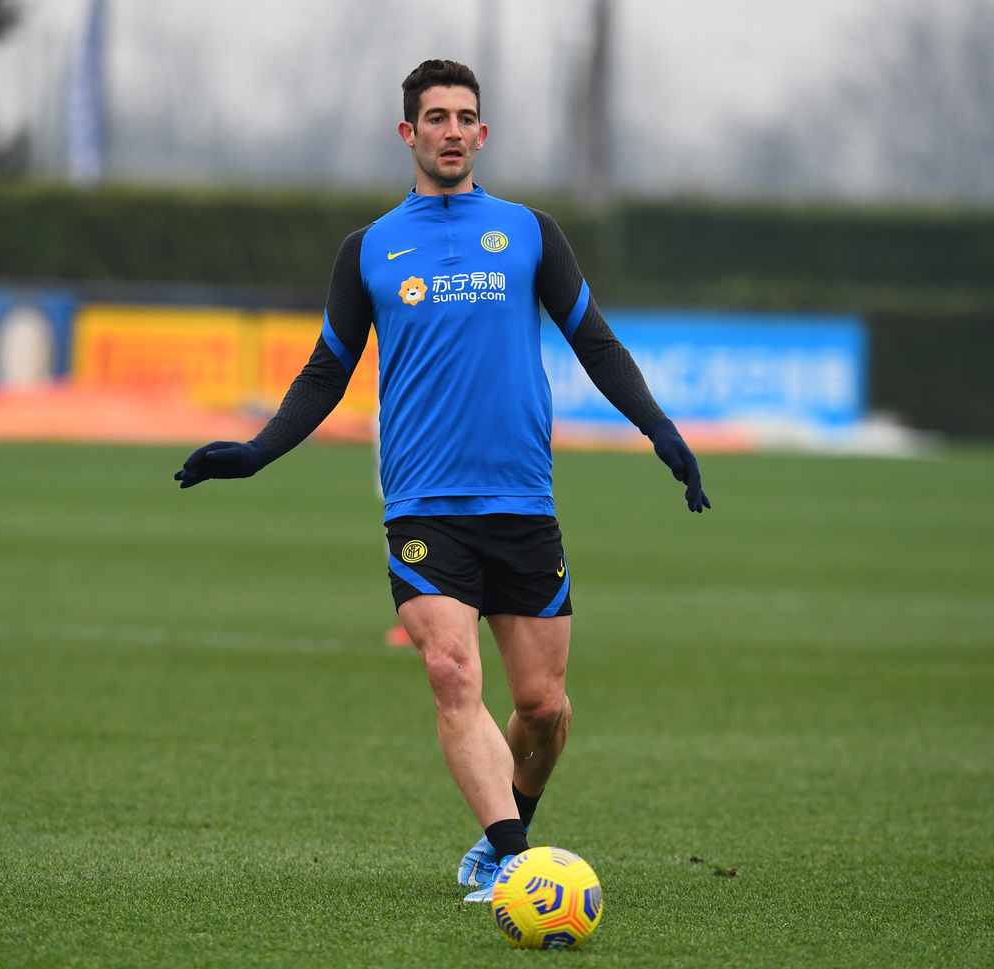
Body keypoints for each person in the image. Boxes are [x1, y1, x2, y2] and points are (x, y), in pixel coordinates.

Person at [175, 59, 710, 903]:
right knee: (453, 673)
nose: (452, 130)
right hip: (425, 506)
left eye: (465, 117)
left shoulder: (531, 233)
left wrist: (660, 428)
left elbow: (596, 343)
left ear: (482, 134)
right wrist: (256, 450)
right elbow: (326, 371)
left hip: (522, 501)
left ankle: (511, 827)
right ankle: (516, 861)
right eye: (436, 117)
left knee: (544, 707)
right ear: (409, 133)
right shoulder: (369, 249)